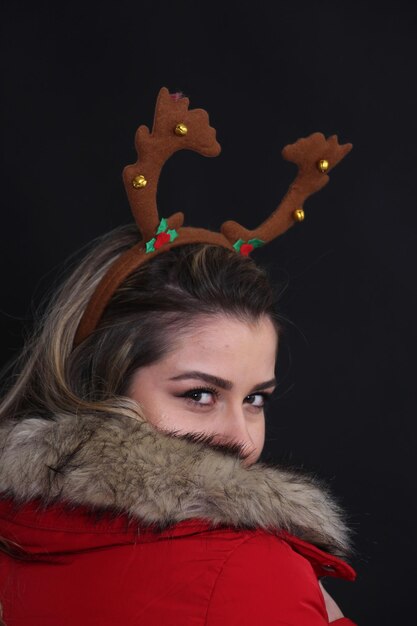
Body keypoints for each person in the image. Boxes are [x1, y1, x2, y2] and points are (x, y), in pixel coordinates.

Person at [0, 88, 357, 625]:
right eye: (199, 394)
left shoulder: (15, 533)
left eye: (256, 398)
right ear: (102, 381)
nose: (241, 439)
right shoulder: (251, 572)